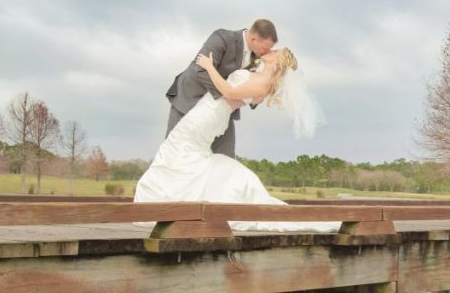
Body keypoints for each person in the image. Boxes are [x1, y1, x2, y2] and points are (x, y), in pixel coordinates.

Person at [136, 46, 335, 233]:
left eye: (275, 51)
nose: (270, 50)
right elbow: (238, 97)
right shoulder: (259, 79)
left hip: (208, 115)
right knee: (185, 152)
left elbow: (229, 92)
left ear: (278, 62)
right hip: (210, 113)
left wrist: (209, 67)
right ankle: (172, 204)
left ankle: (164, 204)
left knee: (179, 147)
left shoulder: (262, 84)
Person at [165, 19, 278, 158]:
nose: (267, 52)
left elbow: (252, 89)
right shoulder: (222, 38)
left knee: (225, 156)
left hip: (223, 112)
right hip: (190, 99)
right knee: (174, 152)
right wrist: (228, 96)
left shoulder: (258, 58)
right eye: (265, 48)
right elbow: (200, 70)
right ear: (253, 38)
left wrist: (256, 96)